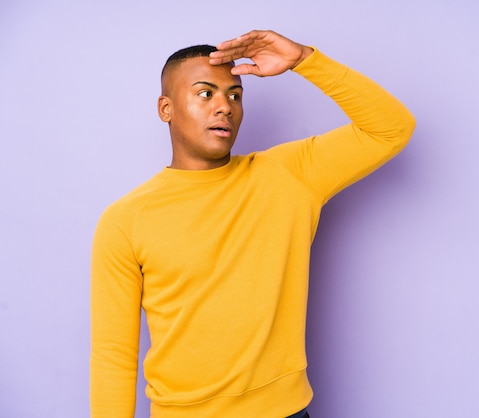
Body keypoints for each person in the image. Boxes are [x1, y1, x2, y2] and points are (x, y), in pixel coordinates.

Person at [90, 29, 415, 418]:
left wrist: (306, 60)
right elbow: (113, 356)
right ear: (166, 108)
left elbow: (392, 128)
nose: (224, 106)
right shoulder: (125, 220)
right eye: (205, 93)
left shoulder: (287, 175)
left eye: (235, 95)